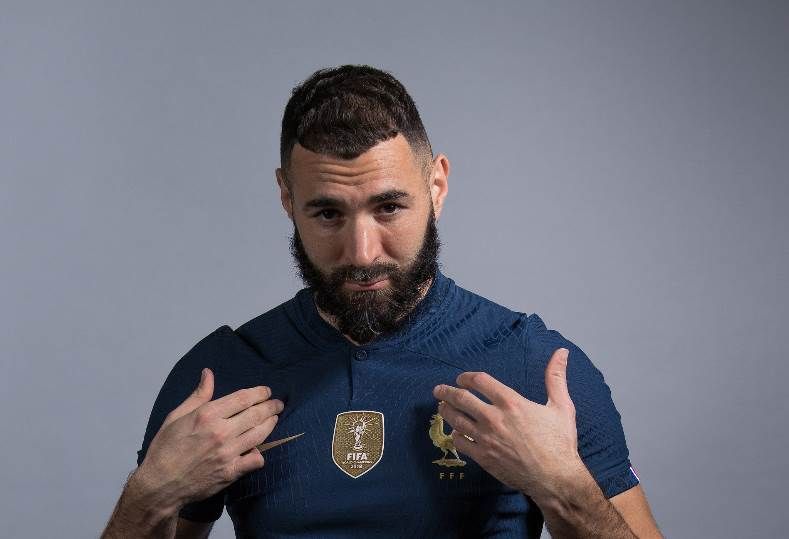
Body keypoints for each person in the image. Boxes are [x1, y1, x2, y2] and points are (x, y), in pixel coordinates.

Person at [102, 65, 662, 538]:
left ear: (436, 187)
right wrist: (148, 496)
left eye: (389, 208)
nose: (362, 252)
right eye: (328, 214)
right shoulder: (223, 375)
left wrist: (564, 488)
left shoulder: (535, 366)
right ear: (287, 198)